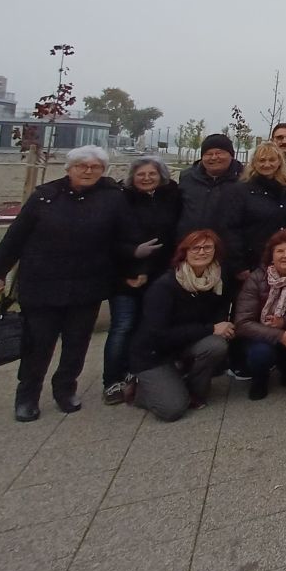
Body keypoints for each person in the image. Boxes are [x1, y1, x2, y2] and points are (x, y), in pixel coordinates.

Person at [0, 146, 138, 422]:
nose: (88, 171)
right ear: (69, 168)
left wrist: (133, 268)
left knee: (76, 343)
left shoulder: (112, 199)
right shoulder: (45, 197)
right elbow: (15, 238)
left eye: (95, 167)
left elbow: (124, 240)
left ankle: (65, 389)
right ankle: (27, 396)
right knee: (38, 344)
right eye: (82, 166)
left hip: (86, 285)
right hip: (42, 285)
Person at [128, 229, 233, 421]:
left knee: (216, 345)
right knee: (172, 410)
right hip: (153, 354)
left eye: (207, 247)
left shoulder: (216, 279)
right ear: (184, 252)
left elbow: (218, 316)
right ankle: (139, 389)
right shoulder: (165, 286)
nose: (201, 252)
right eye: (195, 248)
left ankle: (191, 391)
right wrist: (210, 329)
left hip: (185, 344)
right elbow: (157, 334)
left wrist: (220, 327)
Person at [103, 155, 181, 405]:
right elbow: (108, 239)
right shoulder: (120, 200)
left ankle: (138, 370)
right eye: (141, 174)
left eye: (152, 174)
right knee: (123, 326)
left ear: (161, 176)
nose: (147, 178)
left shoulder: (170, 198)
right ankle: (112, 379)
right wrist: (132, 257)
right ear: (132, 177)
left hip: (159, 275)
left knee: (150, 323)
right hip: (125, 274)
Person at [234, 229, 286, 400]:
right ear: (271, 255)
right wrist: (280, 335)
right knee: (261, 354)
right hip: (260, 329)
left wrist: (284, 322)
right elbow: (243, 322)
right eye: (280, 251)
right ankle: (260, 378)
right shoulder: (257, 278)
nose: (285, 255)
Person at [176, 133, 243, 272]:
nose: (214, 157)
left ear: (231, 154)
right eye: (208, 153)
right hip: (191, 254)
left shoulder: (245, 180)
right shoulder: (187, 178)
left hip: (229, 258)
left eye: (219, 153)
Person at [230, 142, 286, 278]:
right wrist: (239, 266)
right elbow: (231, 229)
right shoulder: (241, 190)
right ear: (254, 163)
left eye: (272, 160)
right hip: (252, 262)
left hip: (283, 261)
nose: (267, 164)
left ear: (279, 162)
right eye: (262, 160)